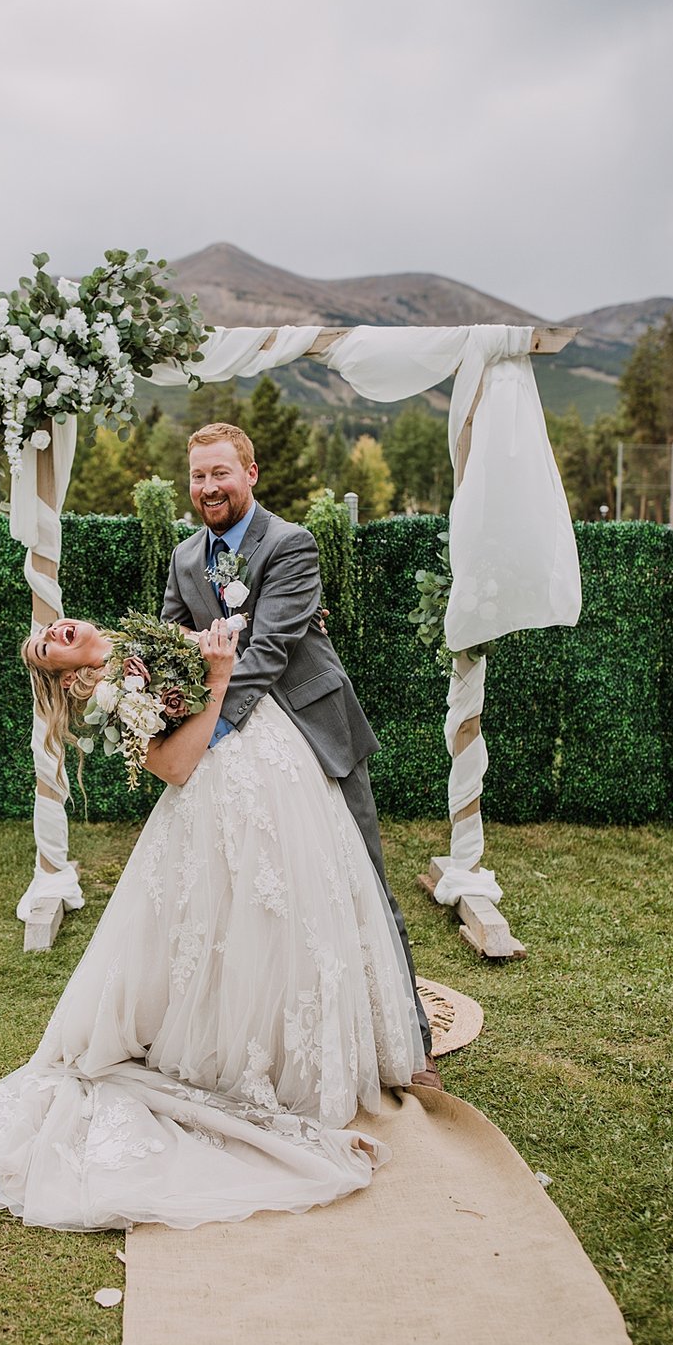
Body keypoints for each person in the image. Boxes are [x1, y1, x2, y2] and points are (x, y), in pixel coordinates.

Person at [0, 615, 425, 1232]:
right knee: (236, 929)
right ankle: (246, 1056)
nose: (56, 630)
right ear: (68, 676)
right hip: (222, 799)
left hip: (285, 772)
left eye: (52, 628)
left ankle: (303, 1041)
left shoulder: (145, 638)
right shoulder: (109, 691)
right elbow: (176, 767)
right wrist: (216, 678)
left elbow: (234, 641)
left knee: (299, 922)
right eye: (48, 646)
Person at [162, 423, 440, 1086]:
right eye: (198, 476)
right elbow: (173, 641)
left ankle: (413, 1041)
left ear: (251, 474)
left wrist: (211, 730)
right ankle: (278, 1036)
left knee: (361, 878)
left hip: (313, 730)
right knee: (261, 894)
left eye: (220, 474)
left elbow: (270, 651)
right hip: (242, 761)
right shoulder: (182, 557)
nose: (208, 488)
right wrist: (161, 707)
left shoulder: (291, 544)